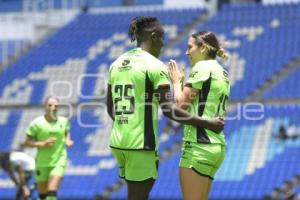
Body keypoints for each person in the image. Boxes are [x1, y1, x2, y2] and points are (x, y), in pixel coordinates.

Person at [106, 17, 224, 200]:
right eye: (162, 38)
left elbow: (110, 107)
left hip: (118, 143)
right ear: (153, 36)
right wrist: (207, 122)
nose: (163, 44)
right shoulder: (155, 66)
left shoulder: (116, 64)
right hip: (140, 145)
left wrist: (126, 125)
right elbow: (170, 110)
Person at [168, 31, 230, 200]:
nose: (187, 52)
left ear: (203, 48)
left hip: (198, 146)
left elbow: (180, 107)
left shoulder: (202, 67)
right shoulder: (221, 71)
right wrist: (182, 84)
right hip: (216, 146)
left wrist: (175, 82)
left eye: (190, 47)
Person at [24, 96, 74, 200]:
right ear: (45, 106)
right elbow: (27, 142)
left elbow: (66, 133)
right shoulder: (36, 123)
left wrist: (68, 141)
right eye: (50, 105)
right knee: (43, 196)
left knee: (52, 193)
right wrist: (42, 143)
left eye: (56, 105)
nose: (53, 108)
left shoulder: (64, 121)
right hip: (42, 162)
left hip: (59, 160)